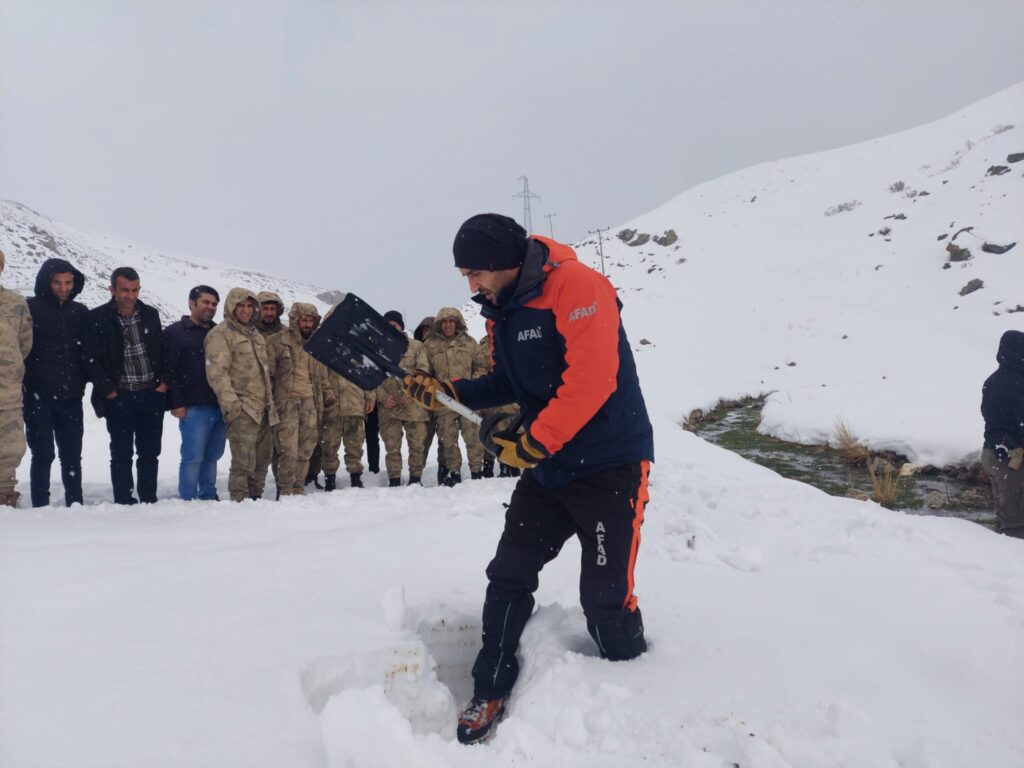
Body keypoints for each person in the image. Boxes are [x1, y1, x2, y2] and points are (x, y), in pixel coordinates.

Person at [404, 213, 654, 744]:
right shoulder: (502, 309)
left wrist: (535, 440)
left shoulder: (579, 286)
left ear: (505, 263)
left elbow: (592, 380)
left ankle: (638, 684)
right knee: (509, 573)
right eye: (464, 275)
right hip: (550, 465)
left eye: (475, 273)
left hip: (610, 464)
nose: (470, 285)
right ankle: (489, 685)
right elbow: (506, 379)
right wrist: (448, 390)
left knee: (605, 602)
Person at [84, 267, 167, 505]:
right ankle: (123, 499)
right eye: (125, 290)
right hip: (119, 396)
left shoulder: (150, 314)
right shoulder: (98, 318)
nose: (131, 296)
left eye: (135, 290)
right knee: (121, 453)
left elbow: (161, 351)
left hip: (151, 394)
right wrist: (108, 389)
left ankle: (149, 498)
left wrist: (162, 384)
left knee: (150, 452)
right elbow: (90, 358)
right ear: (112, 289)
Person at [23, 258, 88, 507]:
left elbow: (86, 353)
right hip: (38, 395)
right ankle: (40, 503)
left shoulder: (79, 312)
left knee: (71, 454)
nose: (63, 288)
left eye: (68, 282)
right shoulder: (30, 308)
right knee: (43, 453)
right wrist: (35, 377)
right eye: (57, 282)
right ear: (46, 282)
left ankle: (75, 502)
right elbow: (23, 348)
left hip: (71, 395)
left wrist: (80, 382)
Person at [204, 288, 278, 501]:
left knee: (262, 460)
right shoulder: (221, 334)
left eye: (249, 306)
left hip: (264, 408)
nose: (246, 310)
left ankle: (255, 499)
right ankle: (239, 504)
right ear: (231, 307)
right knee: (243, 463)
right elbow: (217, 373)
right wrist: (233, 406)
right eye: (240, 306)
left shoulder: (255, 335)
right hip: (243, 409)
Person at [164, 286, 227, 501]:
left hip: (219, 405)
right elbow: (169, 371)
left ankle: (208, 495)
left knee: (212, 456)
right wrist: (176, 403)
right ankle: (188, 498)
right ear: (191, 303)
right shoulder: (176, 332)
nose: (210, 307)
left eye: (214, 304)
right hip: (193, 406)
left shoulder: (219, 333)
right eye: (206, 302)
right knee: (192, 456)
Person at [266, 303, 335, 497]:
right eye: (304, 320)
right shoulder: (277, 341)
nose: (307, 324)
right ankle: (285, 488)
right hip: (286, 403)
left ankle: (298, 486)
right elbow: (268, 375)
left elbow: (322, 376)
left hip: (311, 404)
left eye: (311, 320)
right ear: (295, 321)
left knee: (306, 449)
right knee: (287, 450)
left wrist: (328, 395)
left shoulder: (316, 345)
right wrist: (269, 402)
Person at [421, 307, 487, 485]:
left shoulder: (470, 343)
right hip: (444, 401)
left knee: (473, 437)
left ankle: (476, 472)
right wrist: (434, 388)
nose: (448, 325)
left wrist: (473, 384)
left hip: (469, 399)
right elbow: (423, 372)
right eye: (444, 321)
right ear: (439, 324)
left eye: (451, 321)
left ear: (457, 323)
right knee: (448, 440)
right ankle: (454, 473)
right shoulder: (429, 345)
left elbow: (481, 366)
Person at [375, 310, 430, 486]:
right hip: (389, 406)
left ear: (401, 327)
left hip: (413, 404)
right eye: (388, 325)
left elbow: (423, 372)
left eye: (395, 325)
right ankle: (394, 480)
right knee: (392, 447)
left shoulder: (415, 346)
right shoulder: (377, 347)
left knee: (417, 445)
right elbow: (372, 376)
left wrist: (410, 393)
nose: (392, 329)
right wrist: (382, 397)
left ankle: (415, 479)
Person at [981, 329, 1024, 538]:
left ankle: (995, 559)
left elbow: (987, 413)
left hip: (992, 452)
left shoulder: (993, 379)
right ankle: (1010, 566)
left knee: (1005, 516)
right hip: (1012, 456)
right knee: (1015, 524)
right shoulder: (1019, 382)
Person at [0, 249, 33, 507]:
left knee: (9, 447)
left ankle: (4, 495)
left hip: (6, 391)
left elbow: (24, 344)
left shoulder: (16, 303)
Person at [476, 332, 520, 479]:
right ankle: (489, 466)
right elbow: (479, 368)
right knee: (491, 431)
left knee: (513, 430)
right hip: (491, 396)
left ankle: (511, 465)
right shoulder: (482, 347)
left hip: (512, 395)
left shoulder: (512, 338)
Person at [322, 367, 375, 489]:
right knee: (329, 445)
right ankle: (329, 480)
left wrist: (370, 397)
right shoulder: (325, 350)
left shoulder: (357, 349)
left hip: (354, 403)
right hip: (331, 406)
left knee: (355, 445)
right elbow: (320, 376)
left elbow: (368, 373)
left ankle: (355, 477)